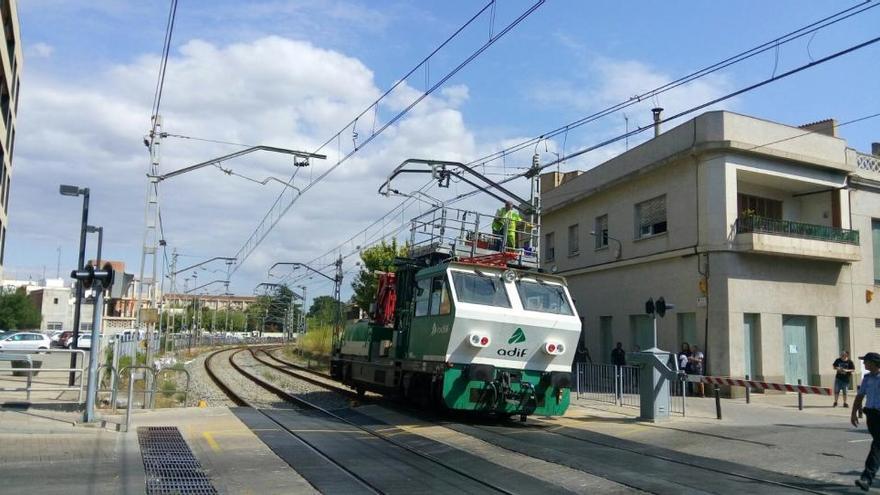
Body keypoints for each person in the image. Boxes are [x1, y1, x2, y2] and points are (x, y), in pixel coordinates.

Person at [852, 352, 880, 491]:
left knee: (877, 446)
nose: (863, 364)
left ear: (874, 363)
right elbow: (860, 396)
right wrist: (853, 413)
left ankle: (866, 478)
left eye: (866, 361)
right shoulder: (867, 378)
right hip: (872, 416)